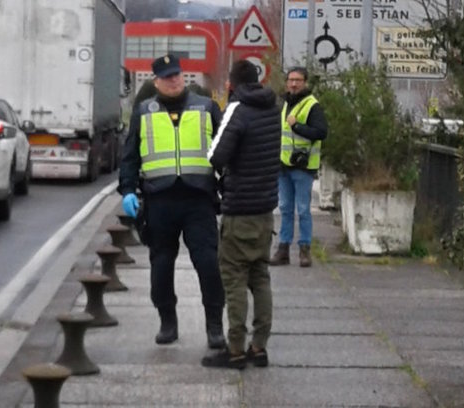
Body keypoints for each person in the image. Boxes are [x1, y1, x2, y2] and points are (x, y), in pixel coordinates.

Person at [118, 54, 226, 349]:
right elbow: (130, 156)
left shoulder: (206, 107)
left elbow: (225, 151)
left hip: (198, 199)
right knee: (161, 266)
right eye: (167, 77)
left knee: (207, 264)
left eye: (177, 75)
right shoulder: (144, 111)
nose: (174, 80)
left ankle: (215, 326)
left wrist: (229, 187)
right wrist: (128, 189)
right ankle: (167, 321)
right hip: (159, 200)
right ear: (157, 82)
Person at [201, 60, 282, 369]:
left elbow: (216, 155)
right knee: (260, 277)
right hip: (265, 210)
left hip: (239, 212)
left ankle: (234, 349)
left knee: (234, 281)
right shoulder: (272, 109)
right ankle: (259, 348)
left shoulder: (237, 109)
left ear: (232, 84)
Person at [269, 67, 328, 268]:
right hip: (283, 166)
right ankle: (283, 249)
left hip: (303, 167)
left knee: (303, 210)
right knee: (285, 208)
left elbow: (321, 132)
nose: (294, 84)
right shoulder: (285, 104)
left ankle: (305, 250)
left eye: (298, 80)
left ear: (305, 82)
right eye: (291, 80)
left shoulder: (312, 105)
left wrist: (297, 127)